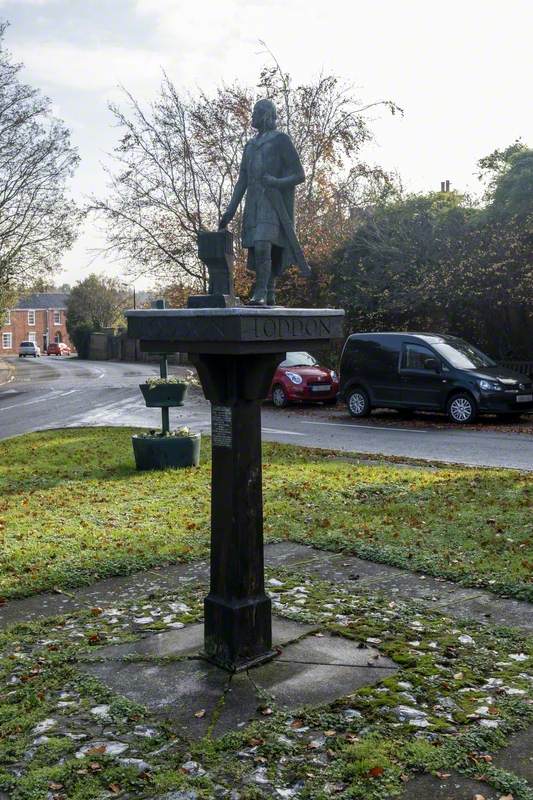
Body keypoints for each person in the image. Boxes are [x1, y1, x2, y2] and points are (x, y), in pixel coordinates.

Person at [219, 99, 307, 305]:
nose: (253, 116)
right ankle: (269, 292)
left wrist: (277, 182)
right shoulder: (249, 146)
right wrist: (230, 211)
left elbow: (299, 175)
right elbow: (242, 180)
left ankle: (260, 291)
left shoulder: (280, 140)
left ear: (267, 114)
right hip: (253, 203)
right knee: (256, 246)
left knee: (263, 243)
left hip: (272, 201)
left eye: (256, 112)